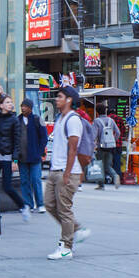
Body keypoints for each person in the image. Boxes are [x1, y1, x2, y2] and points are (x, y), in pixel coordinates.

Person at [45, 86, 90, 260]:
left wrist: (67, 173)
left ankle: (66, 247)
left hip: (66, 172)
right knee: (49, 205)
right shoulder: (59, 118)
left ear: (69, 100)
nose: (57, 99)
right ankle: (77, 230)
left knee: (64, 210)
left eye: (60, 96)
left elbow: (73, 148)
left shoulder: (73, 120)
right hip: (54, 169)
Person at [0, 93, 30, 219]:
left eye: (10, 102)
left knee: (7, 187)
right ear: (1, 105)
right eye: (7, 102)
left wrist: (15, 160)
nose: (10, 104)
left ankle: (23, 206)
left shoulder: (14, 120)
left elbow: (17, 141)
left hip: (7, 157)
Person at [19, 99, 47, 213]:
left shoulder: (37, 119)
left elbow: (44, 137)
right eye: (22, 106)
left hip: (35, 157)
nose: (23, 108)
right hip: (22, 157)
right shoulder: (18, 120)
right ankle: (28, 204)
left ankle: (40, 204)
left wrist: (40, 152)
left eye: (25, 106)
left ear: (30, 108)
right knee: (24, 181)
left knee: (36, 180)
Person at [93, 107, 122, 189]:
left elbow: (93, 135)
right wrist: (113, 140)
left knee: (100, 165)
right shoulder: (111, 120)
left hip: (101, 147)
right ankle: (115, 176)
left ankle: (101, 185)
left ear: (97, 112)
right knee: (108, 165)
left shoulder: (97, 121)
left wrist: (93, 145)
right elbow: (118, 132)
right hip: (110, 147)